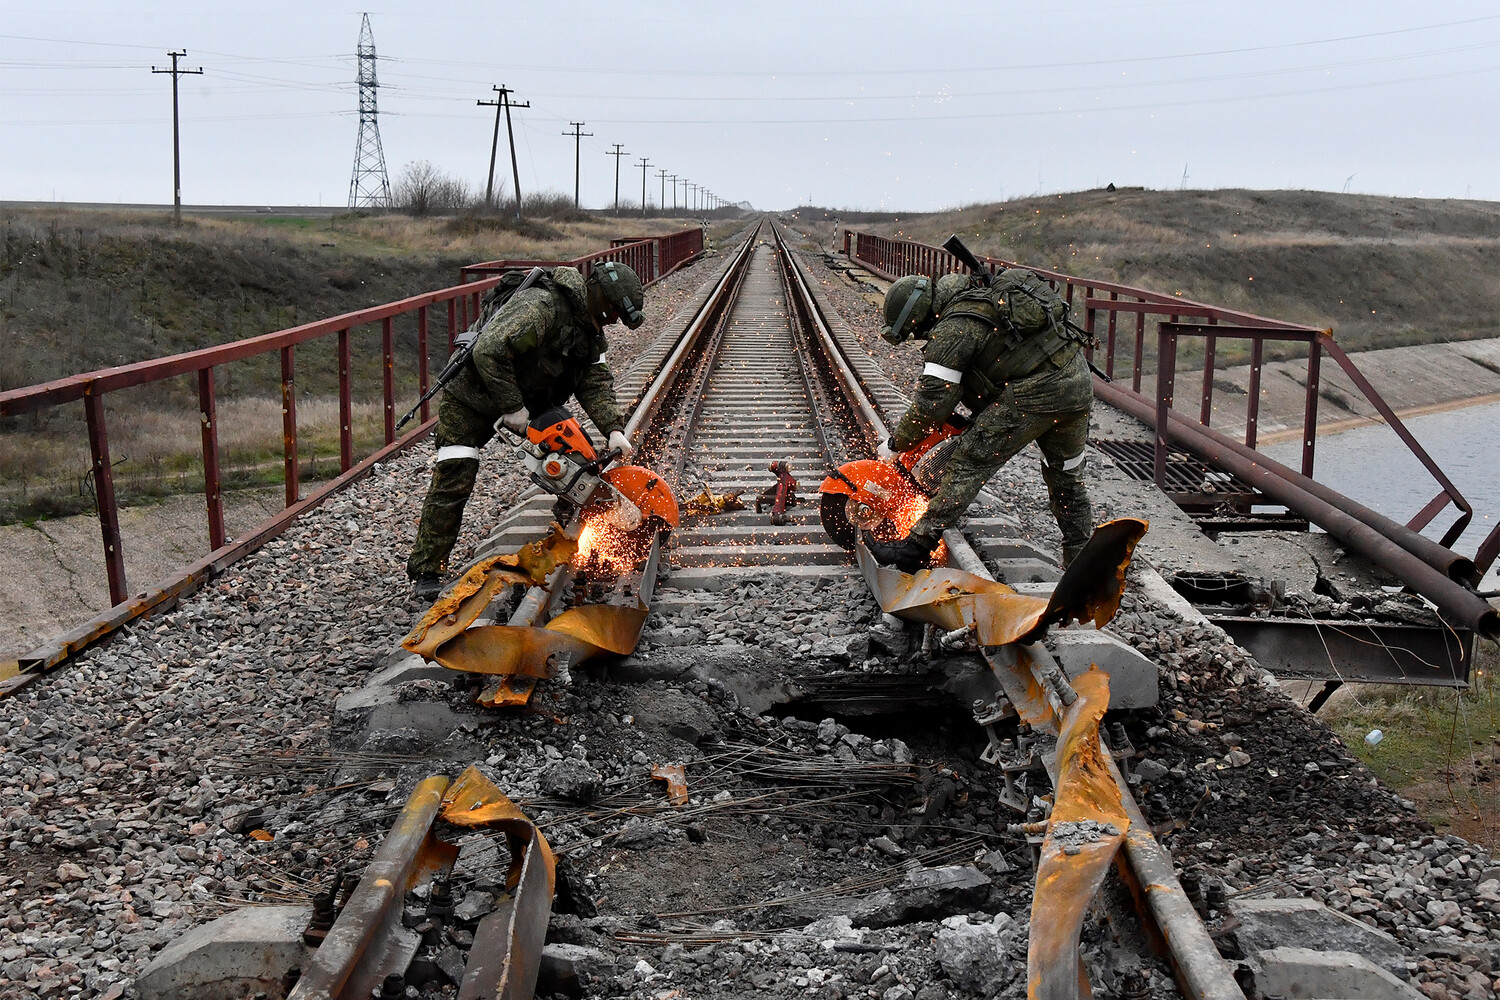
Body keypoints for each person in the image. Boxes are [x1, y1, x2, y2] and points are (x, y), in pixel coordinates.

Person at [405, 261, 645, 599]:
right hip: (472, 397)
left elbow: (594, 381)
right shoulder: (542, 306)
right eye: (614, 313)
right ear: (601, 299)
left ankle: (576, 525)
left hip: (529, 400)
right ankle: (427, 571)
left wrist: (613, 428)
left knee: (576, 460)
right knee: (456, 472)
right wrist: (511, 406)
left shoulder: (589, 332)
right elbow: (489, 350)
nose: (613, 321)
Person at [864, 268, 1095, 573]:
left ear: (918, 317)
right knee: (1066, 478)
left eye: (912, 332)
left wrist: (896, 444)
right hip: (1077, 386)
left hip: (1038, 393)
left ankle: (916, 547)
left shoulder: (953, 328)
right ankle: (1083, 566)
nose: (917, 338)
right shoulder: (978, 301)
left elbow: (931, 405)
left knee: (969, 459)